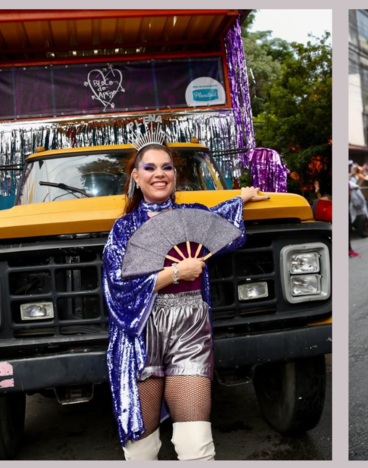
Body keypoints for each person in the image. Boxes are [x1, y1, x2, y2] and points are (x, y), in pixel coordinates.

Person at [103, 141, 269, 460]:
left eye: (167, 167)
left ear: (175, 175)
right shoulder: (123, 229)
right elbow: (117, 286)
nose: (159, 174)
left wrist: (242, 197)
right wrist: (175, 273)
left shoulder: (191, 216)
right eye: (149, 168)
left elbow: (218, 222)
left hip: (190, 326)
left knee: (196, 446)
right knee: (141, 448)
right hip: (141, 334)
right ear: (136, 177)